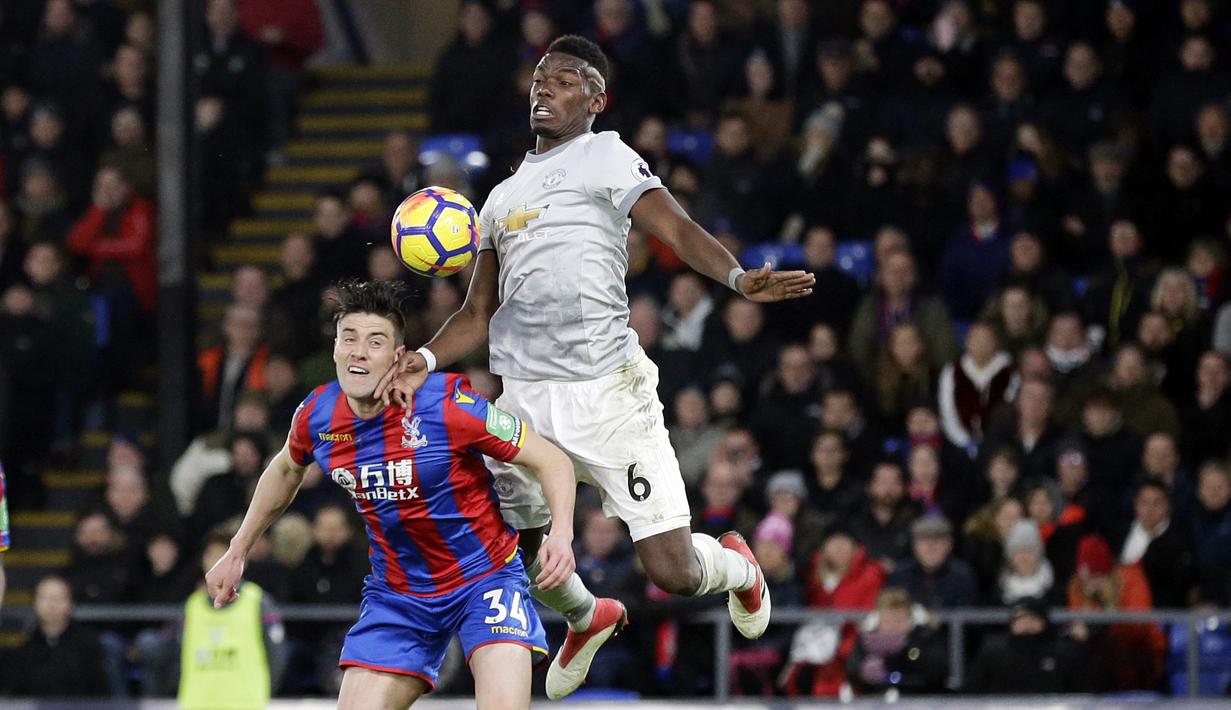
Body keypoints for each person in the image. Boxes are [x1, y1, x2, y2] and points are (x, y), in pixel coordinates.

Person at [377, 35, 813, 699]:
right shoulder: (497, 198)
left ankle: (733, 567)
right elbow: (476, 313)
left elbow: (673, 225)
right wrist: (425, 358)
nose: (543, 88)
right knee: (511, 546)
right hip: (524, 398)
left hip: (608, 394)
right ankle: (585, 617)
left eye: (563, 80)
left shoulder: (605, 154)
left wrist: (732, 276)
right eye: (538, 79)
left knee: (670, 570)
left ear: (596, 99)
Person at [205, 281, 578, 709]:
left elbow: (552, 461)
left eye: (375, 341)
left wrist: (563, 534)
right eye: (349, 339)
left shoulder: (446, 404)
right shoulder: (317, 414)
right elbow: (287, 467)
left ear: (398, 358)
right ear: (335, 351)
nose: (359, 351)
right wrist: (238, 548)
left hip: (485, 579)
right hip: (399, 595)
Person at [180, 531, 287, 710]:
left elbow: (276, 653)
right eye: (210, 554)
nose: (215, 561)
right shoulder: (193, 605)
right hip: (197, 703)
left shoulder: (258, 601)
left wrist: (265, 692)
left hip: (245, 704)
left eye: (222, 555)